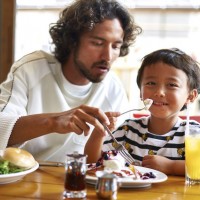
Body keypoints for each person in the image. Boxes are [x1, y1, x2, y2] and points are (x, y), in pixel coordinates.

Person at [0, 0, 141, 162]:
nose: (107, 57)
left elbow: (117, 156)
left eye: (115, 46)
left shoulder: (113, 88)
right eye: (97, 43)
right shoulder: (30, 69)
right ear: (72, 41)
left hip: (83, 181)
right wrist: (53, 122)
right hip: (29, 178)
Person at [85, 48, 200, 176]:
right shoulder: (128, 130)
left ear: (191, 96)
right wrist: (98, 132)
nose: (159, 92)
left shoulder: (194, 133)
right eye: (151, 83)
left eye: (172, 85)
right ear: (141, 92)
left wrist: (171, 167)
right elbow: (92, 163)